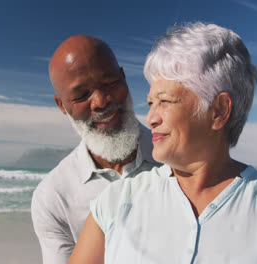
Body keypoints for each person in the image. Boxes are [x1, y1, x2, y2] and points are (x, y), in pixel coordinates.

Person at [68, 23, 257, 264]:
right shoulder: (116, 203)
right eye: (150, 103)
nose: (150, 118)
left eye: (165, 101)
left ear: (218, 111)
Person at [31, 35, 160, 264]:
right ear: (62, 105)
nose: (100, 101)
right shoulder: (53, 197)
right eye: (81, 95)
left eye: (110, 82)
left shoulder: (183, 158)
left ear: (123, 77)